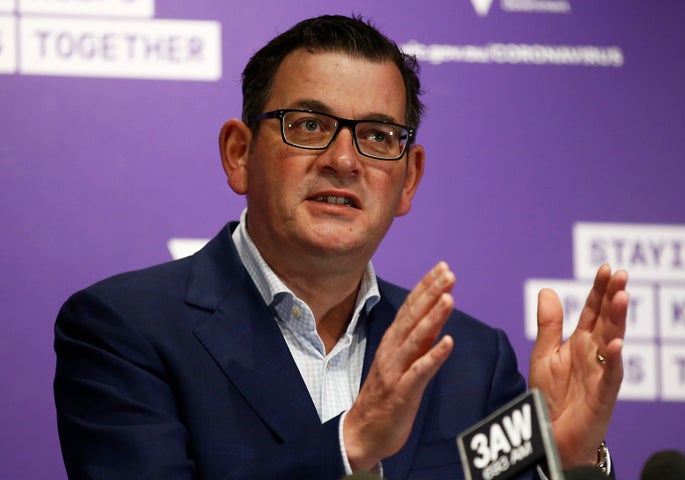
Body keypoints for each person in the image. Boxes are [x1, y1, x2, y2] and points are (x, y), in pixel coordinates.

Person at [54, 14, 629, 480]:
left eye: (379, 136)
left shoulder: (472, 363)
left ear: (408, 179)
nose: (344, 160)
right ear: (238, 153)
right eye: (308, 125)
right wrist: (349, 445)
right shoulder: (124, 330)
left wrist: (565, 462)